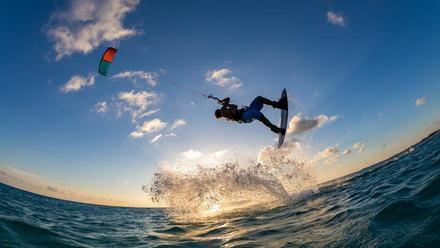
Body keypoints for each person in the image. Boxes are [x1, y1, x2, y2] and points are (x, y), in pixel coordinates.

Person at [212, 95, 287, 135]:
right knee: (257, 114)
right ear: (219, 111)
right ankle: (277, 130)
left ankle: (278, 105)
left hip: (247, 112)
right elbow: (228, 98)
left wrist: (226, 104)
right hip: (245, 116)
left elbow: (235, 106)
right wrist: (222, 101)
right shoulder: (223, 111)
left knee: (259, 98)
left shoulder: (226, 111)